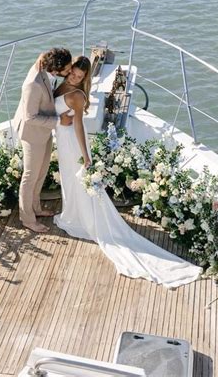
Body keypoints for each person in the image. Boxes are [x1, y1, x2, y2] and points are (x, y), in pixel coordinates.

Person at [53, 56, 202, 287]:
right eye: (73, 73)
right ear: (69, 69)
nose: (74, 78)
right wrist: (59, 118)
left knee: (76, 180)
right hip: (62, 139)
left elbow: (79, 125)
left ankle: (81, 217)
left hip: (73, 143)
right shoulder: (62, 84)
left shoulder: (77, 96)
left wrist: (86, 157)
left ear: (84, 79)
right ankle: (72, 212)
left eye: (79, 77)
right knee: (68, 180)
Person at [14, 48, 73, 233]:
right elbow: (29, 117)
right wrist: (59, 121)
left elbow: (42, 55)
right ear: (55, 69)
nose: (70, 71)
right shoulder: (33, 85)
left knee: (41, 173)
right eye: (67, 69)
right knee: (30, 177)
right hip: (32, 134)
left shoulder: (46, 68)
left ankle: (36, 208)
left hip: (44, 132)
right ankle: (27, 219)